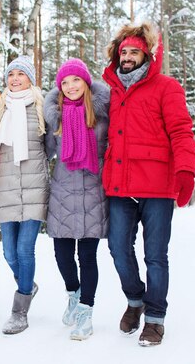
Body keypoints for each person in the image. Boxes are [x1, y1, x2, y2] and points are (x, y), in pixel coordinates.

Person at [102, 21, 195, 346]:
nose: (127, 57)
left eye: (134, 52)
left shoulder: (166, 87)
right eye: (123, 51)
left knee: (155, 256)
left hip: (156, 187)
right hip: (119, 186)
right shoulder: (110, 89)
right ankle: (135, 298)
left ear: (146, 55)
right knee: (117, 249)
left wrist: (185, 170)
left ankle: (155, 319)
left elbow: (182, 131)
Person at [43, 58, 110, 341]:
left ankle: (86, 312)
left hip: (94, 191)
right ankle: (74, 294)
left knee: (87, 256)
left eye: (76, 81)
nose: (71, 87)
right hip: (62, 192)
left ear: (86, 83)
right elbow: (45, 151)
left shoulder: (102, 116)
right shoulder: (55, 119)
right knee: (62, 255)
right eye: (65, 83)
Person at [0, 56, 49, 335]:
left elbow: (51, 145)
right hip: (6, 187)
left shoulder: (42, 107)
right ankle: (29, 285)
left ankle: (19, 311)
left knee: (25, 250)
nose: (15, 79)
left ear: (30, 79)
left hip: (35, 186)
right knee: (7, 251)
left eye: (21, 74)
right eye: (11, 74)